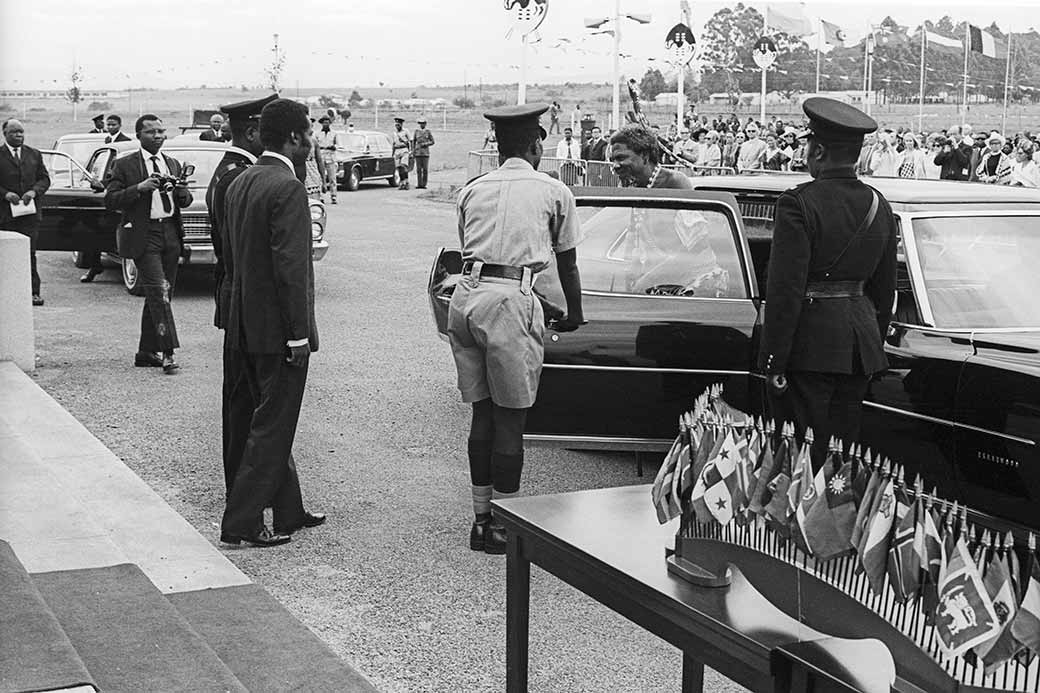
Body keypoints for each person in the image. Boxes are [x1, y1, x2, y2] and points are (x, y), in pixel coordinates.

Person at [450, 103, 585, 554]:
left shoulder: (472, 189)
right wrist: (574, 313)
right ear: (536, 144)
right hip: (509, 305)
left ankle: (481, 518)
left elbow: (477, 252)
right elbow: (567, 262)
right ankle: (502, 526)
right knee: (511, 419)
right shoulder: (553, 190)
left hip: (467, 298)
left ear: (497, 145)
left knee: (482, 414)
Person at [759, 97, 898, 470]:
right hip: (857, 347)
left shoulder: (797, 203)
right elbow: (885, 292)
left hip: (809, 346)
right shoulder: (879, 203)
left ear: (817, 150)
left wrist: (774, 360)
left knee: (804, 456)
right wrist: (872, 339)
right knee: (843, 453)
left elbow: (785, 289)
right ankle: (836, 522)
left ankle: (806, 526)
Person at [219, 98, 324, 548]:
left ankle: (288, 510)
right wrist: (298, 334)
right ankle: (240, 522)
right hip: (277, 331)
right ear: (296, 138)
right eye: (309, 133)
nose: (312, 141)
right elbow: (291, 271)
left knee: (253, 419)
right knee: (272, 426)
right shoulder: (287, 187)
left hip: (243, 324)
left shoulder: (242, 181)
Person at [205, 93, 279, 500]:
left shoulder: (231, 170)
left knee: (259, 404)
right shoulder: (238, 175)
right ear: (252, 132)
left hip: (239, 299)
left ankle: (276, 497)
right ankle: (244, 495)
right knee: (246, 405)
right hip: (245, 302)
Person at [104, 115, 192, 374]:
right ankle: (168, 352)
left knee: (161, 294)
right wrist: (140, 188)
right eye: (151, 132)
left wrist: (183, 190)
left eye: (161, 131)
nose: (158, 136)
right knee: (158, 291)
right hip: (144, 235)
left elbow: (183, 202)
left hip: (170, 234)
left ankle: (145, 351)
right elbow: (110, 200)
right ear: (139, 135)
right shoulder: (125, 165)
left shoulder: (173, 164)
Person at [0, 119, 50, 306]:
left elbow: (44, 179)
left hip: (29, 215)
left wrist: (34, 191)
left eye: (21, 132)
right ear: (5, 133)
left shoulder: (34, 154)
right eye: (14, 132)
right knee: (5, 254)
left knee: (29, 253)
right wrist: (5, 194)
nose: (19, 135)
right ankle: (6, 293)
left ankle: (33, 293)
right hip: (4, 215)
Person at [610, 124, 692, 190]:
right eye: (613, 160)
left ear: (645, 155)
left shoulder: (675, 182)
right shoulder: (626, 182)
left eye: (621, 158)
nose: (615, 166)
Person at [314, 115, 339, 204]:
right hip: (321, 156)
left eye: (327, 122)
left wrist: (334, 147)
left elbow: (338, 145)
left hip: (331, 157)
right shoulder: (317, 134)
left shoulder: (334, 133)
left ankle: (333, 196)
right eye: (324, 123)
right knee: (320, 177)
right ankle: (321, 196)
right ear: (321, 123)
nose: (326, 124)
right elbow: (315, 145)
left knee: (332, 178)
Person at [412, 117, 435, 189]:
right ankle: (419, 184)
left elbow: (432, 142)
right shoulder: (416, 131)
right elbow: (413, 141)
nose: (422, 125)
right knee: (418, 169)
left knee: (425, 169)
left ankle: (424, 184)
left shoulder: (428, 131)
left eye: (423, 123)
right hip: (418, 152)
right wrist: (413, 150)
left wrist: (425, 144)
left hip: (425, 153)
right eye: (420, 123)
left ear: (425, 124)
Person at [391, 116, 412, 190]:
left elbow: (410, 141)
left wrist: (411, 151)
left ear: (401, 124)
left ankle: (406, 182)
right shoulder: (394, 133)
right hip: (397, 151)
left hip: (404, 150)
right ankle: (402, 182)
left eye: (398, 125)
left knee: (403, 166)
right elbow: (393, 144)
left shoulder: (406, 131)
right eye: (396, 125)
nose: (397, 126)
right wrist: (392, 153)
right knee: (399, 168)